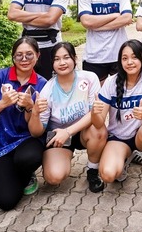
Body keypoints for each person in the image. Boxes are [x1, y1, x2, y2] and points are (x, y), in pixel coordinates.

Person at [92, 40, 142, 209]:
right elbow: (98, 123)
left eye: (134, 57)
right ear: (120, 61)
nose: (129, 62)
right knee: (108, 175)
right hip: (118, 138)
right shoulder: (111, 82)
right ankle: (128, 156)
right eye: (125, 58)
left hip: (140, 136)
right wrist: (94, 113)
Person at [0, 37, 46, 211]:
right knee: (1, 200)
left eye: (29, 54)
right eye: (19, 55)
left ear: (38, 55)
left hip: (26, 140)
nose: (24, 59)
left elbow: (35, 130)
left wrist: (30, 107)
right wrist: (3, 103)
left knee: (28, 159)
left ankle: (26, 173)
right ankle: (6, 173)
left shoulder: (42, 84)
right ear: (13, 57)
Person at [28, 42, 108, 193]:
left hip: (83, 130)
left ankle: (92, 170)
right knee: (54, 177)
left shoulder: (89, 78)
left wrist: (68, 131)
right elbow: (36, 132)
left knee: (99, 130)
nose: (62, 62)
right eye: (57, 59)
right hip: (59, 137)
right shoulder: (47, 90)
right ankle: (64, 156)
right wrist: (35, 113)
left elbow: (94, 114)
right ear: (52, 64)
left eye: (66, 57)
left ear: (75, 59)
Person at [78, 0, 133, 82]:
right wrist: (114, 15)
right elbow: (86, 21)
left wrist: (96, 26)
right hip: (94, 57)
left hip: (119, 55)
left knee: (120, 92)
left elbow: (127, 18)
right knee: (95, 94)